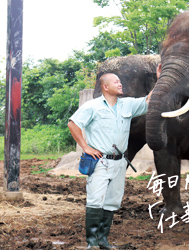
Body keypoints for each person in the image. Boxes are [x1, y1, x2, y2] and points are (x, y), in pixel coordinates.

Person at [68, 66, 160, 249]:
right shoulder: (92, 106)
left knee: (112, 201)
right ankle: (92, 242)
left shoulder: (127, 104)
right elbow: (73, 124)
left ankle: (103, 240)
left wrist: (160, 78)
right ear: (105, 87)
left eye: (120, 81)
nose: (120, 84)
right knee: (96, 200)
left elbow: (149, 100)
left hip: (120, 162)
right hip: (100, 161)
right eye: (116, 81)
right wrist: (85, 147)